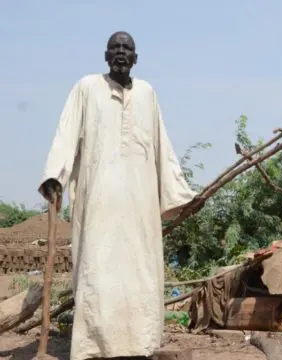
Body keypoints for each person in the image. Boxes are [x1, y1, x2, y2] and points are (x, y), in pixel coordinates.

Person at [38, 31, 198, 360]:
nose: (121, 53)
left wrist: (180, 194)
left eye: (127, 48)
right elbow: (66, 135)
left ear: (136, 58)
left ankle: (140, 345)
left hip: (139, 202)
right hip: (98, 199)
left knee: (140, 270)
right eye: (115, 48)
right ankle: (94, 347)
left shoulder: (147, 94)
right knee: (98, 269)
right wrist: (55, 176)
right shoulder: (86, 88)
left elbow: (161, 147)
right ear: (105, 55)